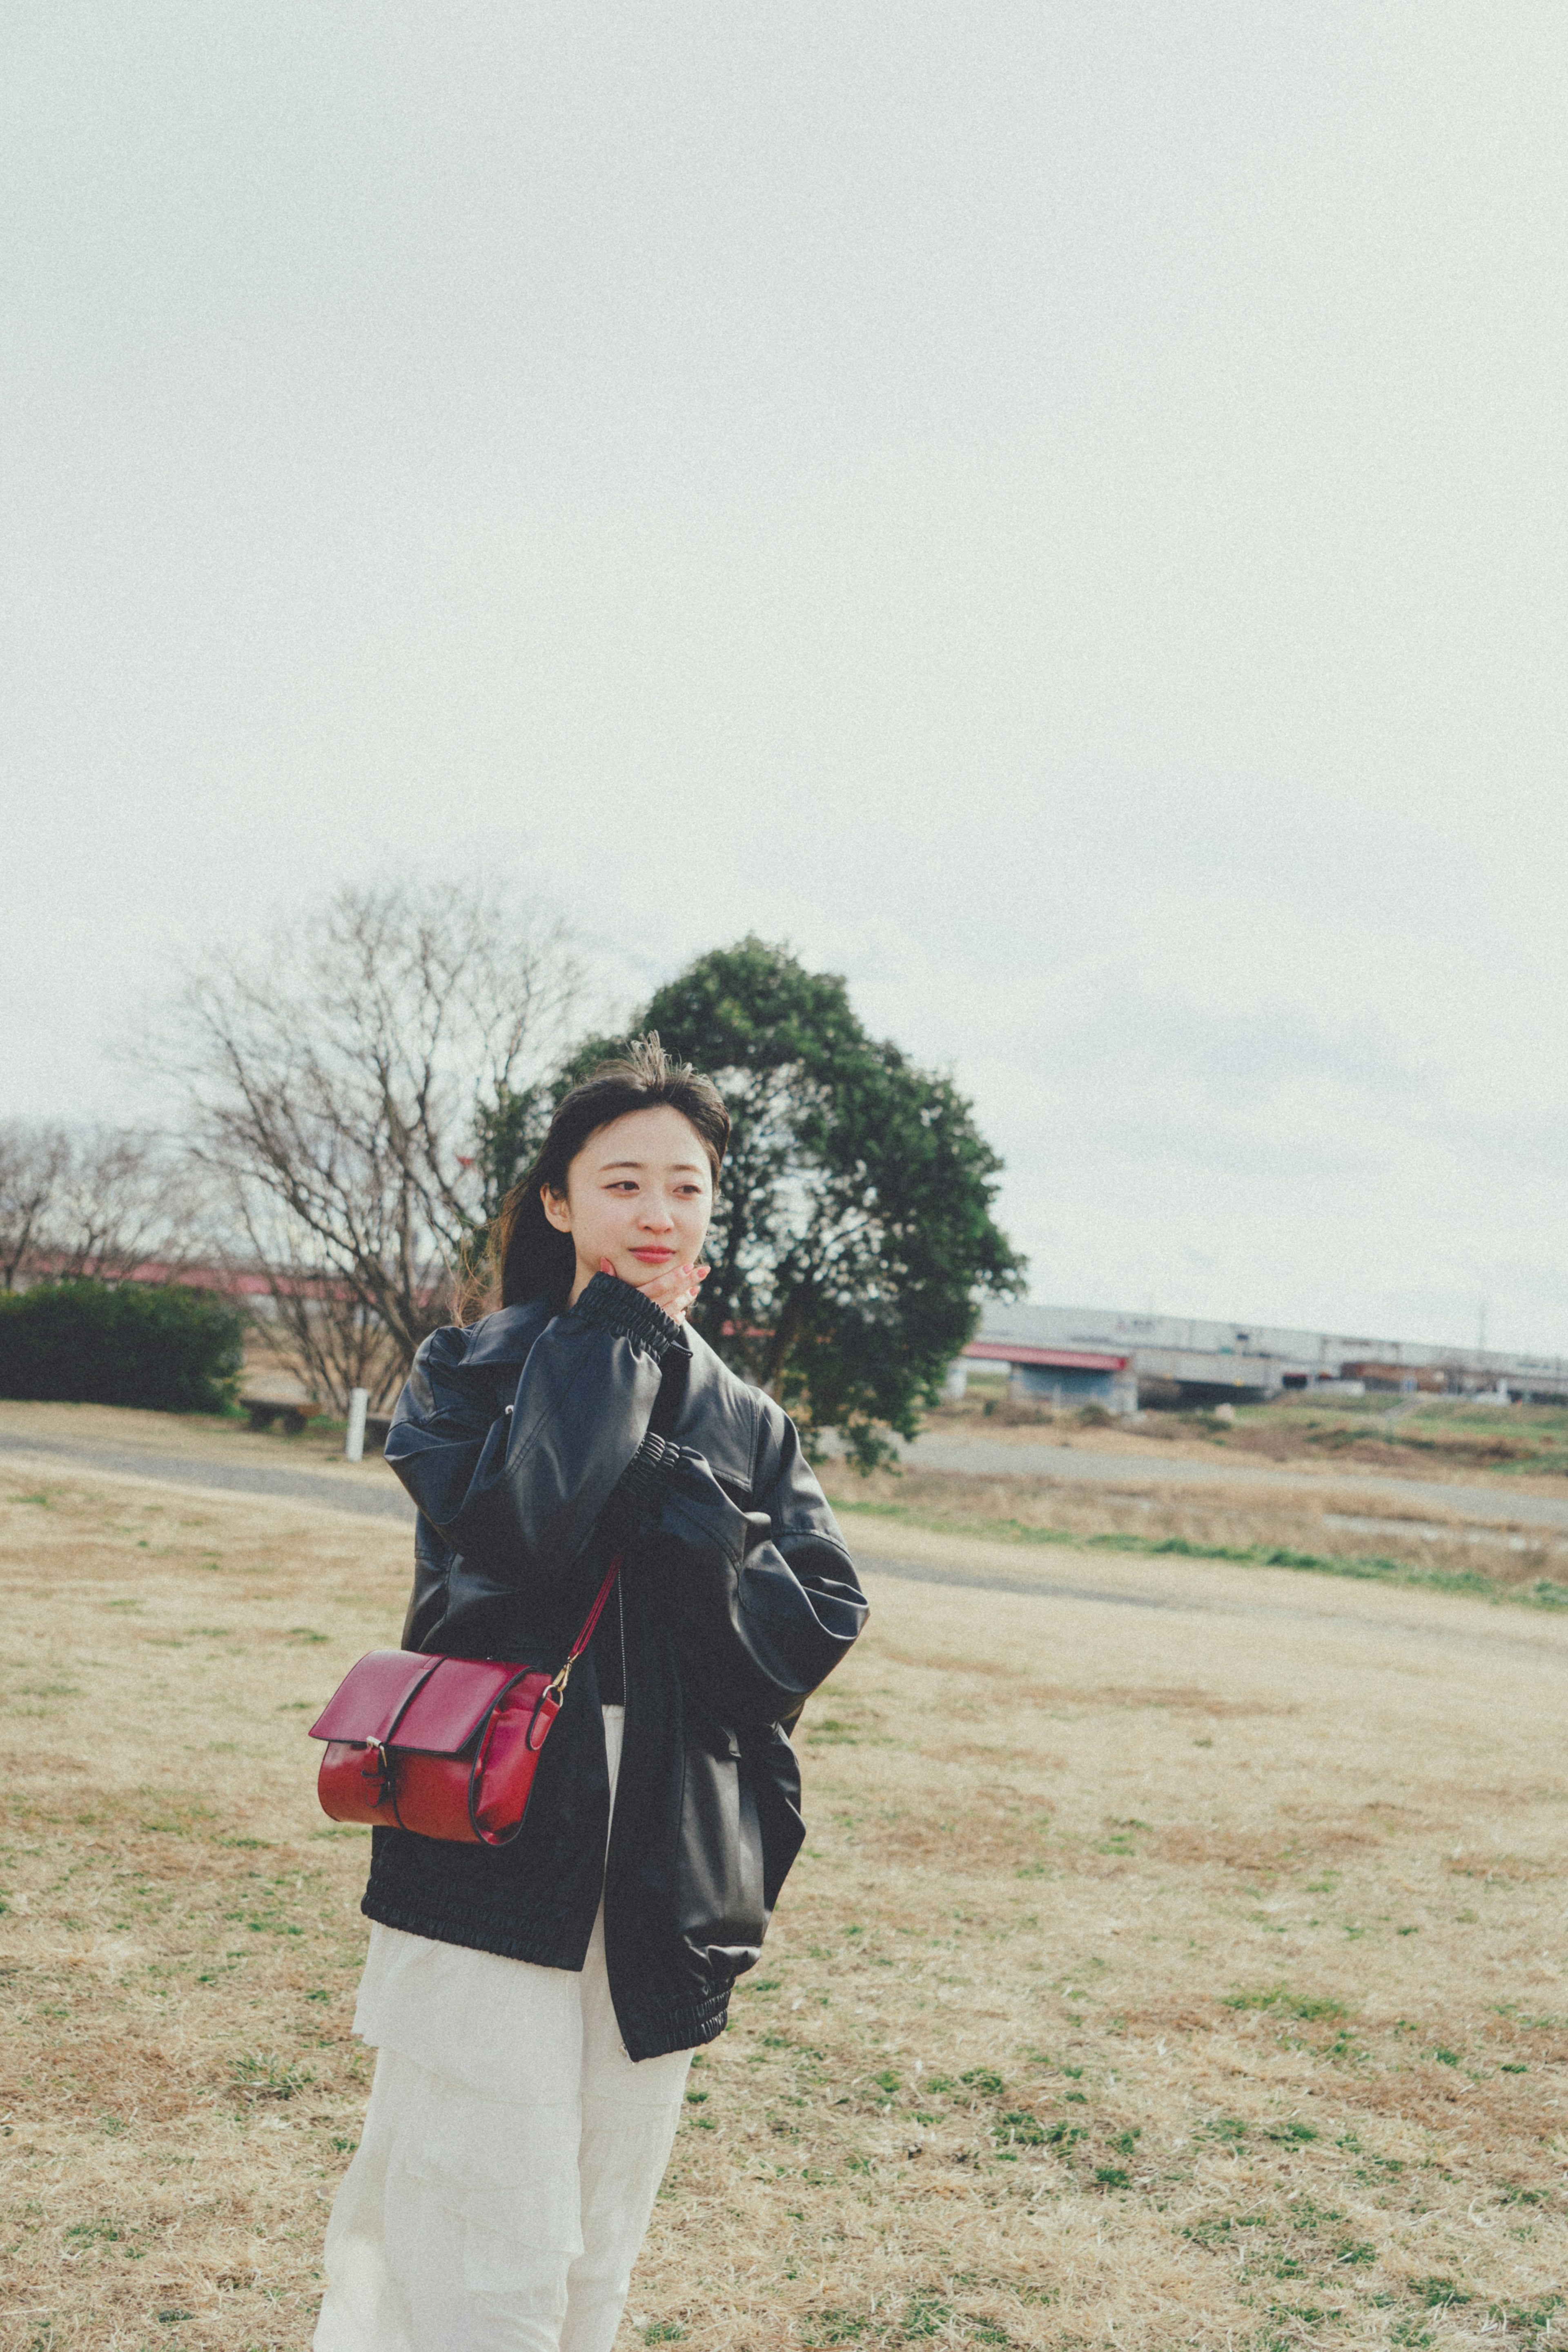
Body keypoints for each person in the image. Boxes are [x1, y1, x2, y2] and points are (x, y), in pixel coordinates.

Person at [314, 1037, 867, 2352]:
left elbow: (809, 1630)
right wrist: (617, 1333)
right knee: (469, 2180)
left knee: (606, 2192)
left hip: (674, 1832)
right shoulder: (472, 1372)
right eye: (623, 1185)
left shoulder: (754, 1422)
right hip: (502, 1810)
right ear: (557, 1203)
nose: (657, 1215)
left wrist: (693, 1507)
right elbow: (527, 1533)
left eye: (685, 1188)